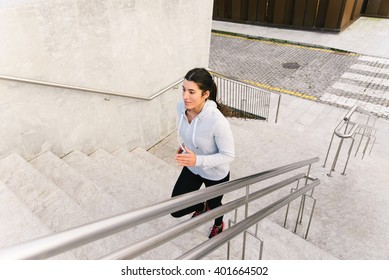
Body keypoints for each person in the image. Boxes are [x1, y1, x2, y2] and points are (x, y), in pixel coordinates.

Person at [171, 68, 235, 238]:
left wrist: (197, 160)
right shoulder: (181, 107)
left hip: (215, 173)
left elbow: (228, 155)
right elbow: (191, 131)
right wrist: (185, 145)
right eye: (184, 89)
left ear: (205, 94)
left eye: (192, 92)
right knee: (176, 209)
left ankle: (218, 223)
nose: (185, 96)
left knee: (216, 206)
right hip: (193, 168)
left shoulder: (217, 121)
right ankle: (201, 207)